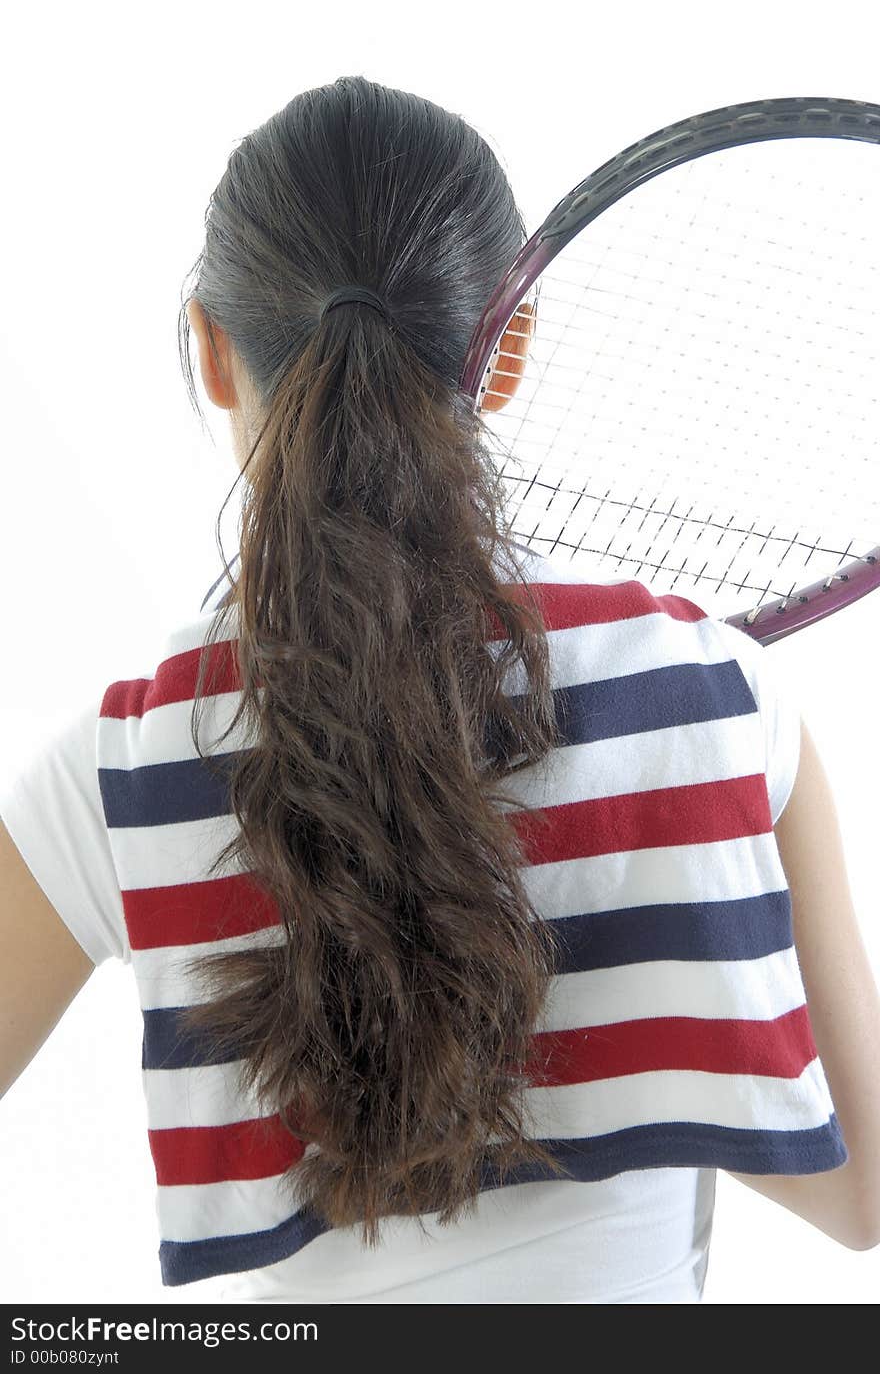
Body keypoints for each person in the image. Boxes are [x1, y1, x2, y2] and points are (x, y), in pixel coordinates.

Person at [2, 75, 879, 1306]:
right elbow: (859, 1193)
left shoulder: (131, 759)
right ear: (505, 344)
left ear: (209, 350)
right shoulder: (711, 700)